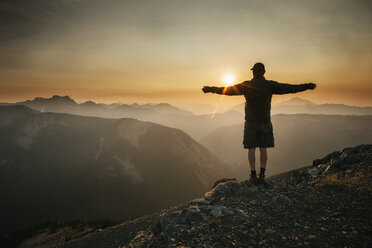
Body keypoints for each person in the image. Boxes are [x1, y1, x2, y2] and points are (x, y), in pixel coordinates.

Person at [202, 62, 316, 184]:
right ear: (264, 72)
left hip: (251, 122)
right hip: (265, 121)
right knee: (263, 148)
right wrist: (307, 86)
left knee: (251, 148)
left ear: (253, 72)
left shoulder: (247, 85)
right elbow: (290, 88)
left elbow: (227, 90)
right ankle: (261, 175)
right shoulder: (270, 85)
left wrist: (210, 89)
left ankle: (252, 175)